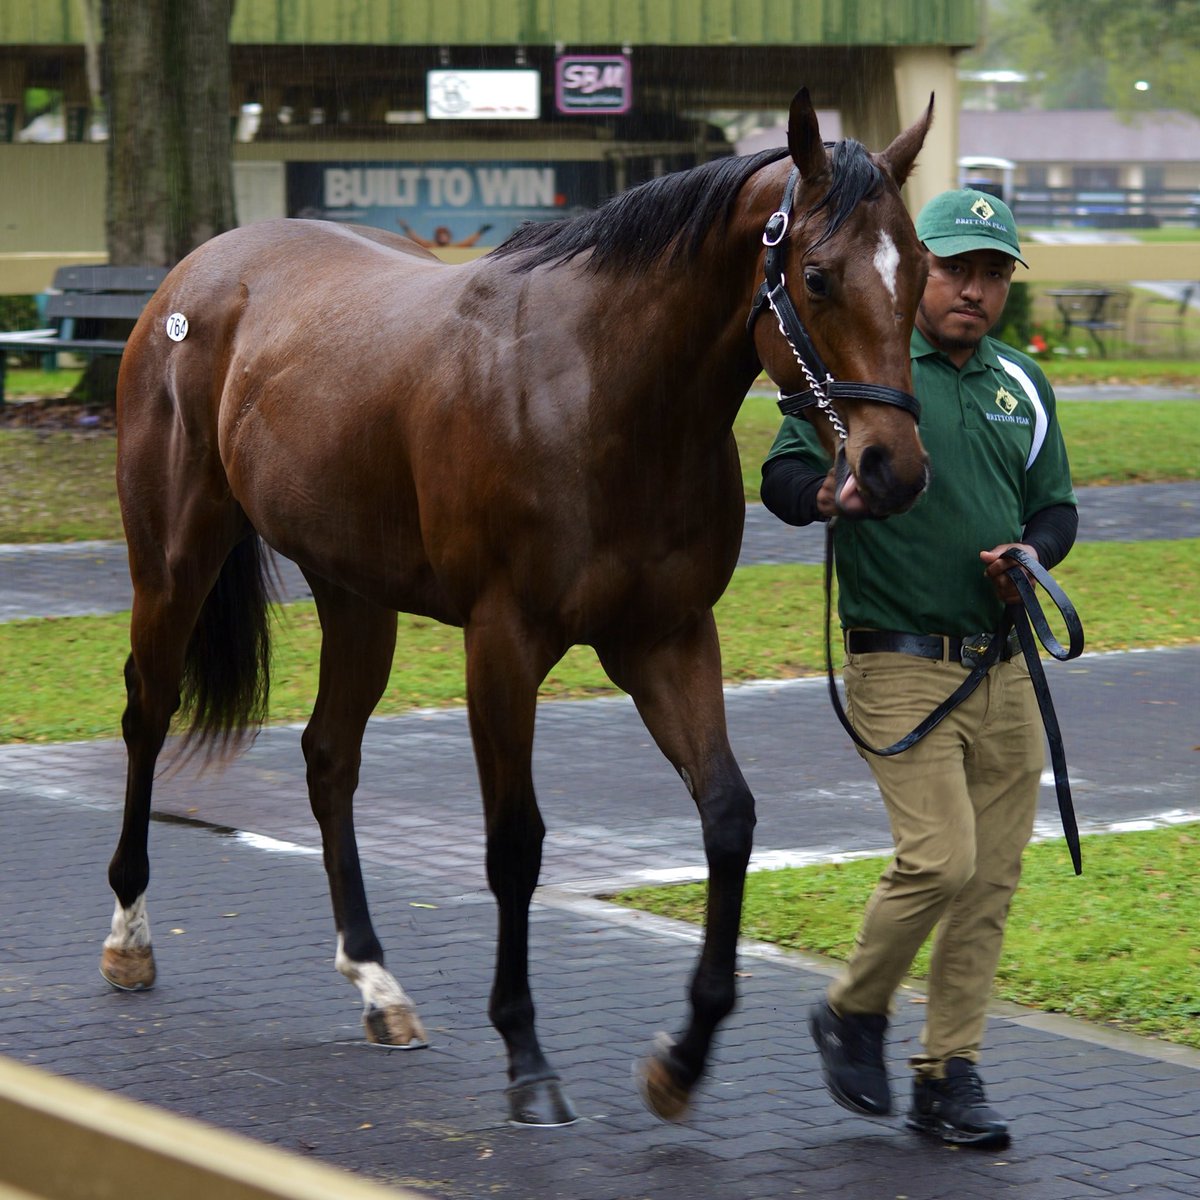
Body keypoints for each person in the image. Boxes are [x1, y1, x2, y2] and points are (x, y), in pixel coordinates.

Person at [761, 189, 1078, 1149]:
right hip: (899, 658)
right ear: (917, 268)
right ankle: (854, 1009)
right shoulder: (864, 372)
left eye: (992, 274)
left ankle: (950, 1074)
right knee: (940, 859)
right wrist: (825, 492)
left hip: (1005, 661)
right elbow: (778, 479)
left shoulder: (1021, 383)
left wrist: (1032, 554)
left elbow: (1055, 508)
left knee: (990, 883)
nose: (974, 291)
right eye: (955, 269)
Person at [398, 220, 493, 248]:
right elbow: (417, 239)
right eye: (440, 234)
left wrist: (481, 231)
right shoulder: (431, 246)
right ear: (436, 237)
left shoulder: (454, 247)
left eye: (445, 234)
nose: (443, 237)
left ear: (449, 236)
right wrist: (406, 227)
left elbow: (467, 242)